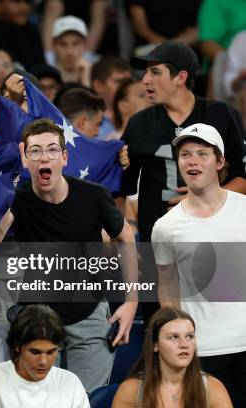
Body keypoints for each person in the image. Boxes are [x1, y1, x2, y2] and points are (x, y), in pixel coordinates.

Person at [1, 118, 138, 392]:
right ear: (24, 157)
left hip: (88, 317)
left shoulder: (94, 196)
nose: (44, 157)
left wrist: (131, 302)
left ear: (64, 157)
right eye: (35, 151)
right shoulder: (15, 197)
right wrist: (3, 193)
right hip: (37, 320)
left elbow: (126, 237)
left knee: (87, 400)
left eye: (52, 150)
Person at [151, 123, 246, 407]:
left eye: (202, 153)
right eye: (185, 154)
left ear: (220, 162)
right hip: (202, 349)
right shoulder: (165, 227)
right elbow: (167, 291)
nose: (192, 160)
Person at [120, 41, 246, 244]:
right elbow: (120, 189)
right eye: (145, 73)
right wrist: (124, 242)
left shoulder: (222, 115)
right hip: (156, 243)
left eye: (155, 72)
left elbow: (243, 177)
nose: (145, 80)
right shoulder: (139, 123)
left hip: (216, 237)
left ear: (181, 77)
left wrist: (206, 196)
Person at [0, 305, 89, 407]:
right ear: (17, 347)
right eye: (35, 352)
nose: (43, 361)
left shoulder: (71, 384)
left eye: (51, 352)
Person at [112, 307, 233, 408]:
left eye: (190, 336)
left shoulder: (213, 388)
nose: (184, 344)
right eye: (174, 337)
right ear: (155, 344)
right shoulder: (131, 390)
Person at [90, 56, 132, 140]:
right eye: (119, 82)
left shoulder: (138, 116)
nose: (126, 87)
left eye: (129, 82)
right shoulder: (88, 120)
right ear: (98, 86)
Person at [51, 15, 90, 86]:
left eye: (75, 44)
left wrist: (86, 80)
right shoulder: (42, 77)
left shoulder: (98, 75)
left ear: (85, 44)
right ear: (53, 45)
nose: (69, 52)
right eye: (63, 44)